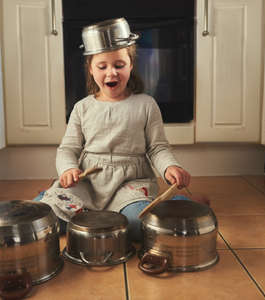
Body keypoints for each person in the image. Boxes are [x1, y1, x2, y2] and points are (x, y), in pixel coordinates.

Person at [39, 18, 195, 241]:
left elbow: (157, 147)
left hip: (130, 182)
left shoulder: (146, 104)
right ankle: (50, 196)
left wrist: (170, 167)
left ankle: (177, 204)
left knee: (137, 226)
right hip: (88, 183)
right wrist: (67, 170)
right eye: (102, 67)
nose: (111, 73)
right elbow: (68, 149)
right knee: (46, 218)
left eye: (119, 65)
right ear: (91, 69)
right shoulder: (82, 107)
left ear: (130, 65)